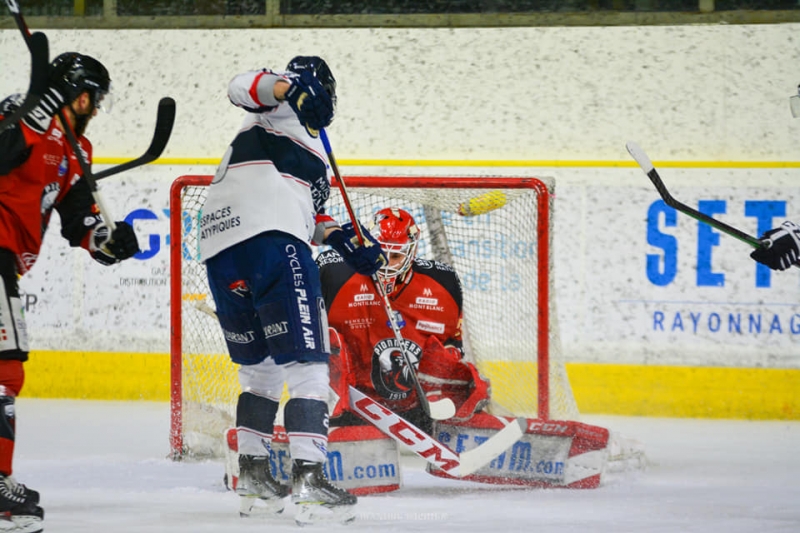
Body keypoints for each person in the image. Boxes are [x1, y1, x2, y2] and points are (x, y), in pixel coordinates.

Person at [199, 56, 384, 525]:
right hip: (273, 244)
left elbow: (312, 217)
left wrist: (346, 241)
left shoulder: (310, 152)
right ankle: (310, 483)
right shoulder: (275, 105)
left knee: (258, 373)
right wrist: (292, 90)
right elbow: (241, 84)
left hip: (222, 247)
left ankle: (255, 480)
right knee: (309, 368)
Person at [0, 52, 140, 532]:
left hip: (6, 263)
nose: (96, 109)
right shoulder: (16, 112)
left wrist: (109, 242)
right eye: (93, 99)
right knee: (3, 368)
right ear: (78, 94)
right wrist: (39, 110)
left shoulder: (77, 149)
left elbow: (78, 220)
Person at [317, 207, 490, 436]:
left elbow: (453, 346)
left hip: (418, 408)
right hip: (352, 406)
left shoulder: (442, 284)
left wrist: (450, 375)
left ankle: (448, 424)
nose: (386, 264)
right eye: (382, 253)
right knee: (327, 342)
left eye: (396, 256)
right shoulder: (334, 274)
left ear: (411, 252)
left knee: (461, 374)